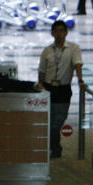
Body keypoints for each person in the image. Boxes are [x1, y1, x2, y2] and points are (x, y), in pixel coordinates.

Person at [36, 20, 85, 159]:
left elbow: (77, 64)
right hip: (48, 88)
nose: (59, 34)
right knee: (48, 121)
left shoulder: (73, 48)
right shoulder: (47, 50)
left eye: (62, 31)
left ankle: (54, 148)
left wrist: (80, 80)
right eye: (56, 31)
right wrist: (40, 84)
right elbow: (42, 70)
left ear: (66, 32)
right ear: (52, 33)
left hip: (63, 90)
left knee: (57, 122)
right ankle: (54, 149)